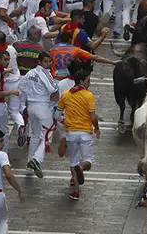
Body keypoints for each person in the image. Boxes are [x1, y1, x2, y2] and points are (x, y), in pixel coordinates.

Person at [57, 69, 101, 200]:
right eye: (88, 80)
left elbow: (56, 114)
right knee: (87, 161)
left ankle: (75, 191)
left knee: (73, 161)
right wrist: (97, 128)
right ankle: (80, 167)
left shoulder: (65, 95)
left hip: (70, 133)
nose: (89, 83)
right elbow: (93, 117)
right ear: (82, 81)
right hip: (85, 134)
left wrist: (65, 121)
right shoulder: (88, 95)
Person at [19, 51, 59, 177]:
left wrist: (24, 104)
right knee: (47, 134)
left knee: (35, 135)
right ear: (40, 62)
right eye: (46, 62)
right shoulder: (45, 73)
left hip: (31, 107)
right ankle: (37, 159)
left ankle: (29, 163)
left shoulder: (30, 73)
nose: (48, 64)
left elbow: (21, 87)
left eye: (49, 61)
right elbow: (53, 89)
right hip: (42, 107)